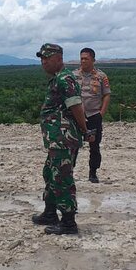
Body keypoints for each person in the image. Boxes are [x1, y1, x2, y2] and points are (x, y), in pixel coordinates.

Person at [32, 43, 95, 235]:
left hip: (63, 138)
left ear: (58, 58)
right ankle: (50, 212)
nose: (43, 62)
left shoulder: (65, 79)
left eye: (47, 58)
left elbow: (76, 106)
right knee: (50, 173)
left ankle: (68, 222)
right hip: (56, 139)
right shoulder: (57, 79)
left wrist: (85, 130)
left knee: (62, 178)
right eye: (42, 59)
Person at [73, 47, 111, 183]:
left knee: (94, 145)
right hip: (77, 115)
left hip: (94, 114)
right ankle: (69, 171)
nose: (83, 61)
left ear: (93, 60)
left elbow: (106, 95)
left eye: (86, 59)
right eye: (81, 58)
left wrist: (102, 113)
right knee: (73, 145)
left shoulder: (101, 76)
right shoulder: (74, 75)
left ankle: (93, 172)